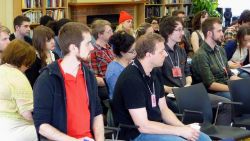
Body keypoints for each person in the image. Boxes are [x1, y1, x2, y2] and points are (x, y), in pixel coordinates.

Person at [112, 33, 211, 141]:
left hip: (155, 127)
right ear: (148, 54)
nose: (166, 54)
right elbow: (143, 126)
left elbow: (164, 109)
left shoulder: (155, 71)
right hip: (135, 134)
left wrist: (183, 127)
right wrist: (180, 131)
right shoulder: (131, 79)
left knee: (203, 138)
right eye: (161, 51)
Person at [33, 22, 104, 141]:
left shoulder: (89, 76)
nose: (92, 48)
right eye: (87, 44)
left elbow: (97, 113)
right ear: (73, 48)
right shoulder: (47, 79)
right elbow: (42, 125)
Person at [158, 16, 232, 125]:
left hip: (187, 91)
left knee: (227, 104)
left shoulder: (181, 50)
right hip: (171, 96)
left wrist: (188, 84)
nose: (182, 33)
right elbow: (156, 82)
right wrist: (172, 89)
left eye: (182, 29)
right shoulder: (159, 53)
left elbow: (187, 73)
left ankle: (215, 135)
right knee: (200, 110)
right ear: (168, 32)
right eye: (178, 30)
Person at [192, 17, 241, 100]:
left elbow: (229, 74)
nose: (222, 34)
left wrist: (244, 83)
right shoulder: (201, 55)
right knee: (239, 97)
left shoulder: (220, 50)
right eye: (219, 31)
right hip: (212, 92)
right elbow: (210, 84)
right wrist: (234, 88)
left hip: (225, 87)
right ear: (209, 33)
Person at [0, 39, 37, 141]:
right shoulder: (17, 76)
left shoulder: (1, 69)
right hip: (16, 129)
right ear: (24, 60)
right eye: (28, 63)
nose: (28, 67)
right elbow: (28, 114)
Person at [88, 19, 114, 100]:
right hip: (104, 86)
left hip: (114, 82)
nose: (112, 34)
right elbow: (93, 77)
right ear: (100, 34)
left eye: (112, 31)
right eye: (109, 32)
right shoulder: (93, 51)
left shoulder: (110, 47)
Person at [105, 31, 136, 99]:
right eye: (133, 51)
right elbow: (122, 95)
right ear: (122, 53)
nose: (135, 53)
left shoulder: (131, 63)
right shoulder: (113, 72)